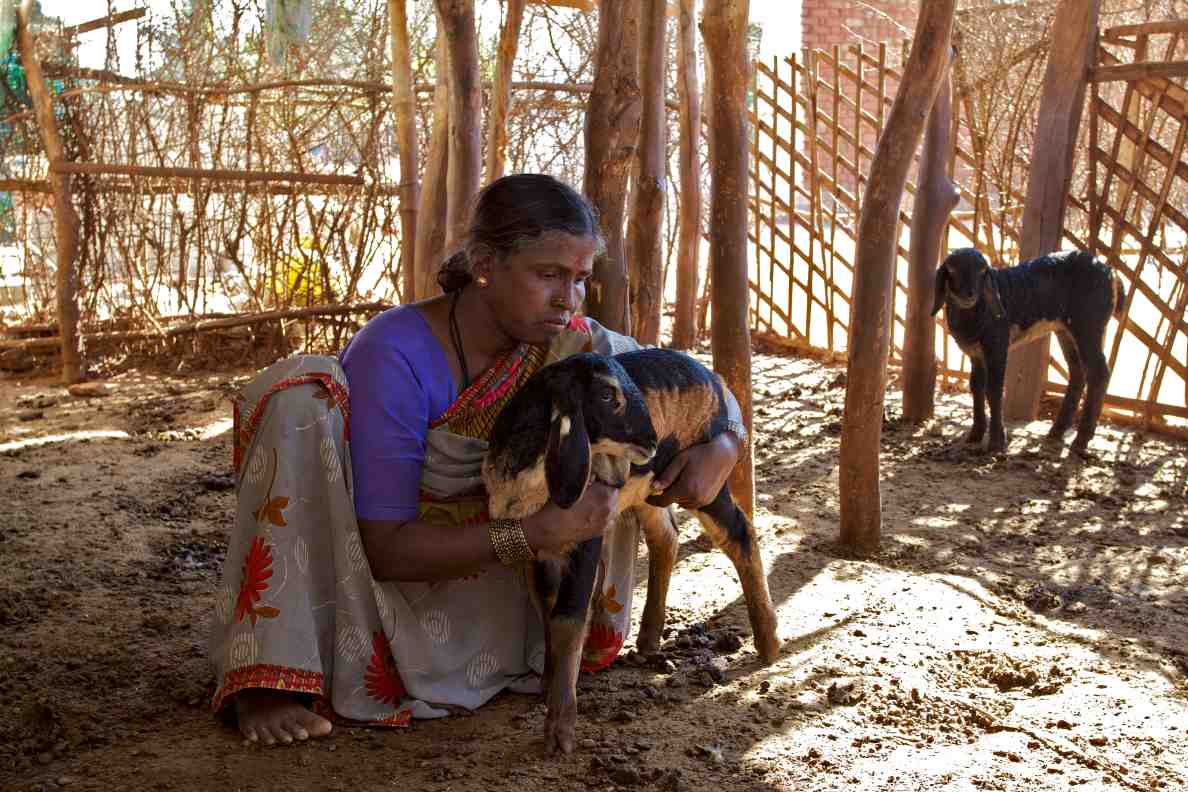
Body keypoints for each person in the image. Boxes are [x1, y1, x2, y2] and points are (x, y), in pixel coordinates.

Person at [209, 174, 747, 745]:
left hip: (524, 604)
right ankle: (269, 679)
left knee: (608, 391)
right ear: (485, 264)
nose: (568, 298)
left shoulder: (571, 343)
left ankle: (542, 645)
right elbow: (385, 546)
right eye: (549, 275)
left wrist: (725, 444)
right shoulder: (395, 353)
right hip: (392, 597)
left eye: (581, 279)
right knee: (301, 402)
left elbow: (678, 373)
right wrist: (533, 532)